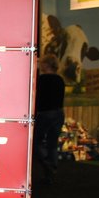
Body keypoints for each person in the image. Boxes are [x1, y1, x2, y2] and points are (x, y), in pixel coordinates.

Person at [33, 53, 65, 185]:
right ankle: (51, 171)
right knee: (52, 143)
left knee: (36, 142)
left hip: (45, 114)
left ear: (46, 65)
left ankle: (47, 164)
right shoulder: (60, 80)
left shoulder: (42, 80)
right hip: (59, 113)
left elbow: (38, 99)